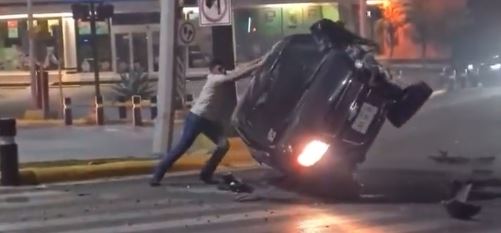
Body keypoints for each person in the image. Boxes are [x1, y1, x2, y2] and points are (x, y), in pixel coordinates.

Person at [150, 57, 264, 186]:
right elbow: (236, 75)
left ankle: (206, 174)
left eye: (223, 68)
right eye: (220, 68)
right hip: (196, 118)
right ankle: (157, 175)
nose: (223, 70)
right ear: (213, 70)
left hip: (208, 121)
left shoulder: (221, 76)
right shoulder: (215, 79)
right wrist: (259, 65)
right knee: (182, 147)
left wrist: (259, 60)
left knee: (223, 145)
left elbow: (240, 69)